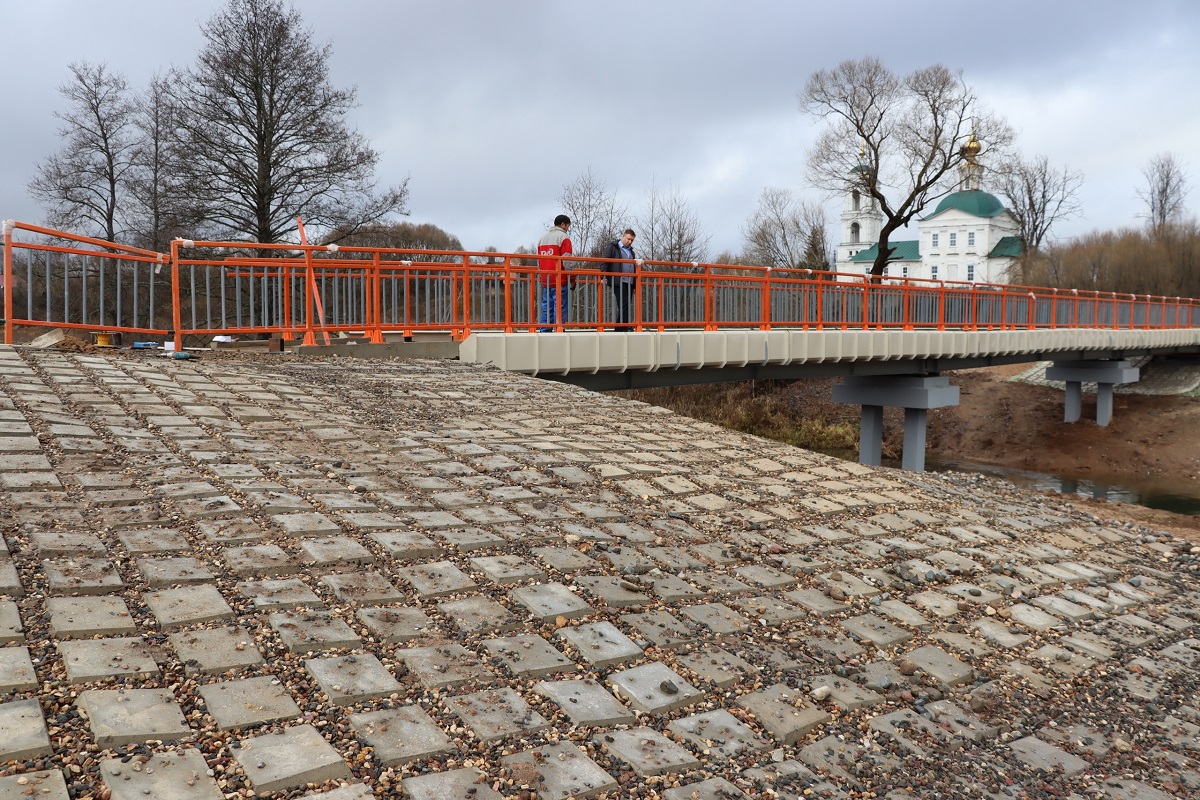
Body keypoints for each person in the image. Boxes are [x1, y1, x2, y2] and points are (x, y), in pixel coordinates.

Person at [537, 214, 573, 331]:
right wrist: (572, 278)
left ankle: (544, 330)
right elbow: (567, 261)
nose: (567, 228)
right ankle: (559, 329)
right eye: (567, 226)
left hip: (545, 278)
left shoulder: (542, 238)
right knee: (560, 306)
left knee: (546, 306)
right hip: (559, 278)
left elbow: (539, 260)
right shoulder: (563, 237)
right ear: (563, 224)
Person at [602, 229, 638, 331]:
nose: (630, 242)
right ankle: (624, 327)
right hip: (618, 280)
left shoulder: (631, 251)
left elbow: (634, 267)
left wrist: (634, 285)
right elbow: (604, 261)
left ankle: (620, 328)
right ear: (623, 236)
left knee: (626, 304)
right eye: (629, 239)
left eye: (632, 240)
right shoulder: (613, 247)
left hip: (629, 281)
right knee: (624, 304)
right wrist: (603, 276)